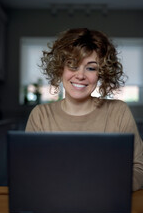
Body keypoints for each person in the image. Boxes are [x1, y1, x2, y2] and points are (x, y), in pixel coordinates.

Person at [25, 28, 143, 191]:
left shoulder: (118, 112)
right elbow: (28, 173)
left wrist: (110, 187)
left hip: (107, 203)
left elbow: (139, 168)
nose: (80, 75)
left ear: (101, 73)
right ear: (61, 68)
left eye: (91, 68)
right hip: (53, 204)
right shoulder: (40, 115)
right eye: (72, 65)